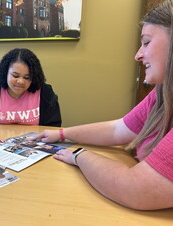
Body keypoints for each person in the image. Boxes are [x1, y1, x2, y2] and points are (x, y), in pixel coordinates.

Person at [33, 0, 173, 210]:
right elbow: (119, 129)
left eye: (146, 42)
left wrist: (79, 155)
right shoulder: (162, 94)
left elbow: (135, 189)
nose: (138, 54)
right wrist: (61, 134)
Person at [0, 48, 61, 126]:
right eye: (15, 76)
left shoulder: (46, 93)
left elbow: (53, 128)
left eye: (27, 77)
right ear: (6, 73)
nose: (20, 81)